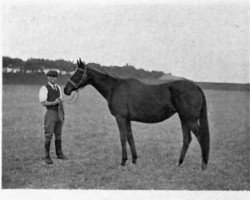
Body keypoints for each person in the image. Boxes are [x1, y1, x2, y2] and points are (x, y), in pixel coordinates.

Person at [38, 70, 68, 164]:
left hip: (58, 113)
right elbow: (43, 103)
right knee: (49, 134)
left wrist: (63, 114)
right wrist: (53, 103)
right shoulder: (44, 88)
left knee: (58, 134)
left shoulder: (58, 87)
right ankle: (47, 156)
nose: (54, 79)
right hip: (50, 113)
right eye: (52, 77)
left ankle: (59, 153)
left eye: (55, 77)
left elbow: (61, 101)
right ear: (48, 77)